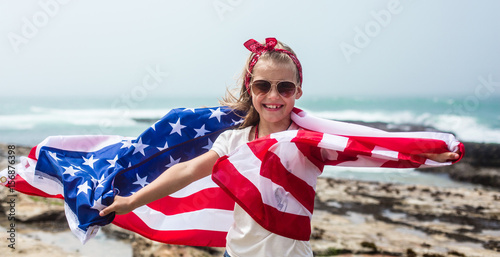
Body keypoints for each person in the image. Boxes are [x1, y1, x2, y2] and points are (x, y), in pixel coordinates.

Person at [99, 37, 459, 256]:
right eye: (263, 87)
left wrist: (424, 152)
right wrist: (132, 200)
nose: (273, 96)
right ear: (250, 89)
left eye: (284, 88)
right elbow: (187, 170)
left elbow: (367, 145)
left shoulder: (309, 142)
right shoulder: (234, 140)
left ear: (298, 92)